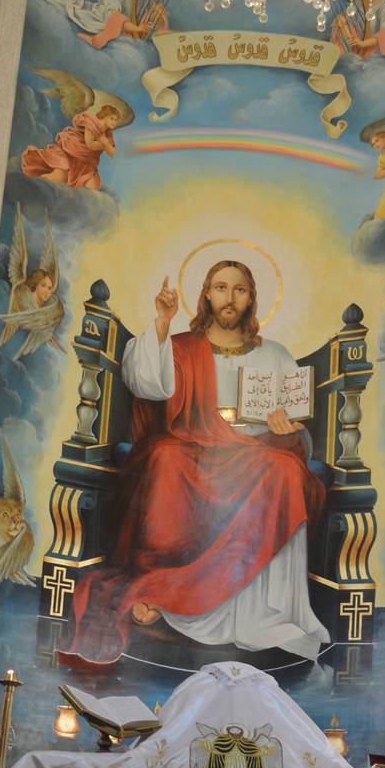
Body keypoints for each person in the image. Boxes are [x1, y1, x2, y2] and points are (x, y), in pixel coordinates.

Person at [63, 259, 327, 665]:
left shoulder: (274, 355)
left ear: (251, 299)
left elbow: (296, 414)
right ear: (206, 294)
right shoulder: (183, 347)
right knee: (164, 456)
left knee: (288, 471)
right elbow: (145, 383)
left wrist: (287, 423)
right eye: (221, 287)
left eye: (240, 289)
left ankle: (264, 612)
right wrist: (162, 322)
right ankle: (165, 587)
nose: (230, 297)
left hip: (257, 449)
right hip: (193, 444)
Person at [21, 105, 120, 191]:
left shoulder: (108, 134)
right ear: (104, 117)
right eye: (112, 119)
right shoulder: (91, 123)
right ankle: (31, 187)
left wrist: (106, 143)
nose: (114, 122)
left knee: (93, 188)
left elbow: (112, 153)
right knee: (59, 177)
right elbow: (89, 144)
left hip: (87, 163)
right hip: (72, 153)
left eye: (116, 120)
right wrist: (104, 144)